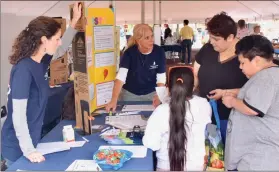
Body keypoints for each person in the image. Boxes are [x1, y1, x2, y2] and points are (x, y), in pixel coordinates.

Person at [1, 2, 81, 167]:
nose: (59, 42)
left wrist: (73, 22)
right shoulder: (23, 70)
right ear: (44, 40)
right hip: (18, 148)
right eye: (57, 39)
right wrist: (29, 150)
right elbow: (18, 115)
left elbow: (61, 50)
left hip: (33, 139)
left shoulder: (40, 62)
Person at [223, 35, 279, 171]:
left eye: (243, 63)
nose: (240, 67)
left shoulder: (265, 77)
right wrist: (232, 93)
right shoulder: (271, 74)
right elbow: (254, 95)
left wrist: (232, 101)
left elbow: (253, 109)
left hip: (259, 159)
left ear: (257, 60)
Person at [143, 66, 212, 171]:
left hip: (166, 167)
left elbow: (151, 144)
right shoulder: (204, 104)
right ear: (193, 87)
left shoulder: (161, 111)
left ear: (168, 88)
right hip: (198, 167)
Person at [193, 12, 248, 144]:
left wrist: (226, 93)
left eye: (216, 39)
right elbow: (195, 74)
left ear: (230, 37)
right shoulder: (207, 49)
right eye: (210, 37)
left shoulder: (247, 55)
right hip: (207, 116)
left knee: (230, 152)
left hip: (234, 119)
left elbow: (255, 89)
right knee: (214, 149)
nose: (212, 42)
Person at [105, 24, 166, 112]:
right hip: (130, 94)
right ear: (138, 40)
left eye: (152, 36)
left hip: (151, 94)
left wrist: (159, 95)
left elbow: (161, 77)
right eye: (147, 38)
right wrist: (114, 99)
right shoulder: (129, 53)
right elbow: (120, 78)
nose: (151, 40)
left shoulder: (159, 51)